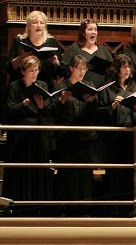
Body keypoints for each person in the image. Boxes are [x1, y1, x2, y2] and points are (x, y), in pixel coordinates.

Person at [98, 53, 136, 217]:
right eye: (124, 67)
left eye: (129, 67)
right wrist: (112, 106)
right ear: (117, 69)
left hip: (131, 136)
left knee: (131, 173)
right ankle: (113, 209)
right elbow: (100, 114)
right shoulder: (108, 88)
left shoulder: (135, 88)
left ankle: (131, 208)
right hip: (114, 137)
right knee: (115, 174)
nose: (127, 70)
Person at [4, 55, 53, 214]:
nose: (34, 73)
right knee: (20, 169)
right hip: (20, 135)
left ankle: (38, 206)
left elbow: (48, 112)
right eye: (31, 70)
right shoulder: (15, 86)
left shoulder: (42, 85)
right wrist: (24, 103)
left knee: (37, 170)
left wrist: (41, 107)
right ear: (23, 71)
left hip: (37, 134)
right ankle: (18, 206)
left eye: (36, 70)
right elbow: (9, 110)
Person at [51, 55, 98, 216]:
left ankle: (84, 207)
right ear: (71, 68)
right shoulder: (61, 86)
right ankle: (65, 208)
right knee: (66, 173)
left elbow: (95, 113)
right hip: (66, 137)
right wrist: (62, 100)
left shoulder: (89, 85)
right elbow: (53, 112)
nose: (82, 71)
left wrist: (92, 102)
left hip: (84, 137)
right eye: (79, 68)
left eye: (84, 68)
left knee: (84, 174)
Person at [6, 11, 60, 89]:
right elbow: (8, 68)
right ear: (29, 26)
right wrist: (22, 57)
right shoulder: (19, 41)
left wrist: (56, 63)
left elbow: (58, 72)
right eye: (35, 23)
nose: (39, 26)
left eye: (42, 23)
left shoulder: (52, 42)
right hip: (22, 86)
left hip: (44, 85)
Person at [61, 20, 113, 88]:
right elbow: (64, 70)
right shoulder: (73, 49)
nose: (93, 32)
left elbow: (112, 70)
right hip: (79, 89)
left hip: (101, 90)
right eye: (90, 29)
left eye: (95, 30)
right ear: (83, 33)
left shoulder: (103, 50)